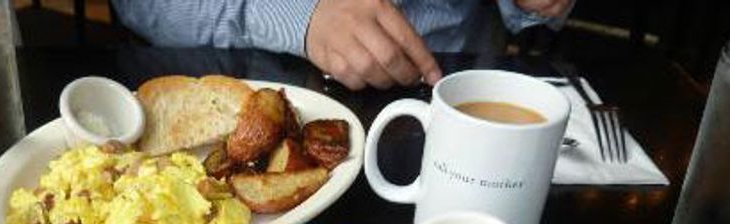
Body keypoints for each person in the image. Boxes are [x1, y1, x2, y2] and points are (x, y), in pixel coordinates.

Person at [111, 0, 574, 89]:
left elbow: (528, 13)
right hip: (243, 80)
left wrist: (533, 6)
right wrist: (301, 19)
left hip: (447, 84)